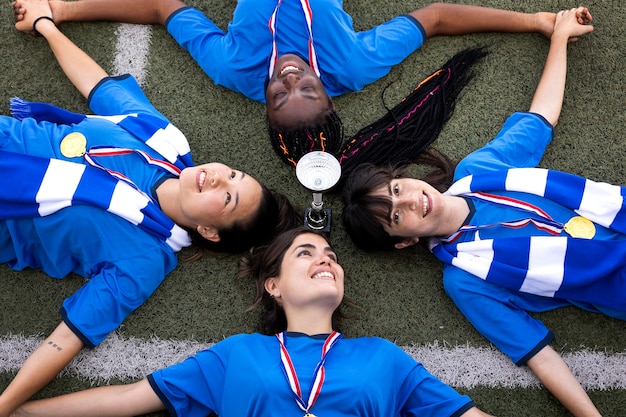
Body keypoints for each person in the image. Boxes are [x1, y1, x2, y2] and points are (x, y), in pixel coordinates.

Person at [0, 0, 297, 414]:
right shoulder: (164, 141)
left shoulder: (145, 259)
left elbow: (67, 338)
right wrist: (46, 24)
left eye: (227, 197)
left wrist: (4, 405)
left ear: (211, 232)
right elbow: (97, 86)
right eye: (233, 174)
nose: (218, 177)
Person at [342, 7, 606, 417]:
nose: (411, 199)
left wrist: (557, 36)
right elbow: (538, 353)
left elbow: (541, 119)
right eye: (396, 216)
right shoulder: (464, 279)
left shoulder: (478, 172)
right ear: (405, 241)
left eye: (397, 189)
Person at [8, 227, 495, 417]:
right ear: (274, 286)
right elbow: (126, 400)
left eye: (330, 256)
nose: (326, 260)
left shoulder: (384, 359)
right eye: (306, 253)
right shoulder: (236, 354)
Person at [24, 0, 558, 167]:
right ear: (332, 95)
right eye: (309, 92)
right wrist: (537, 22)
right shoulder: (353, 65)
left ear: (264, 104)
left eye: (280, 96)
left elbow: (163, 8)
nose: (291, 79)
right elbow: (438, 17)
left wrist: (62, 9)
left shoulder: (233, 68)